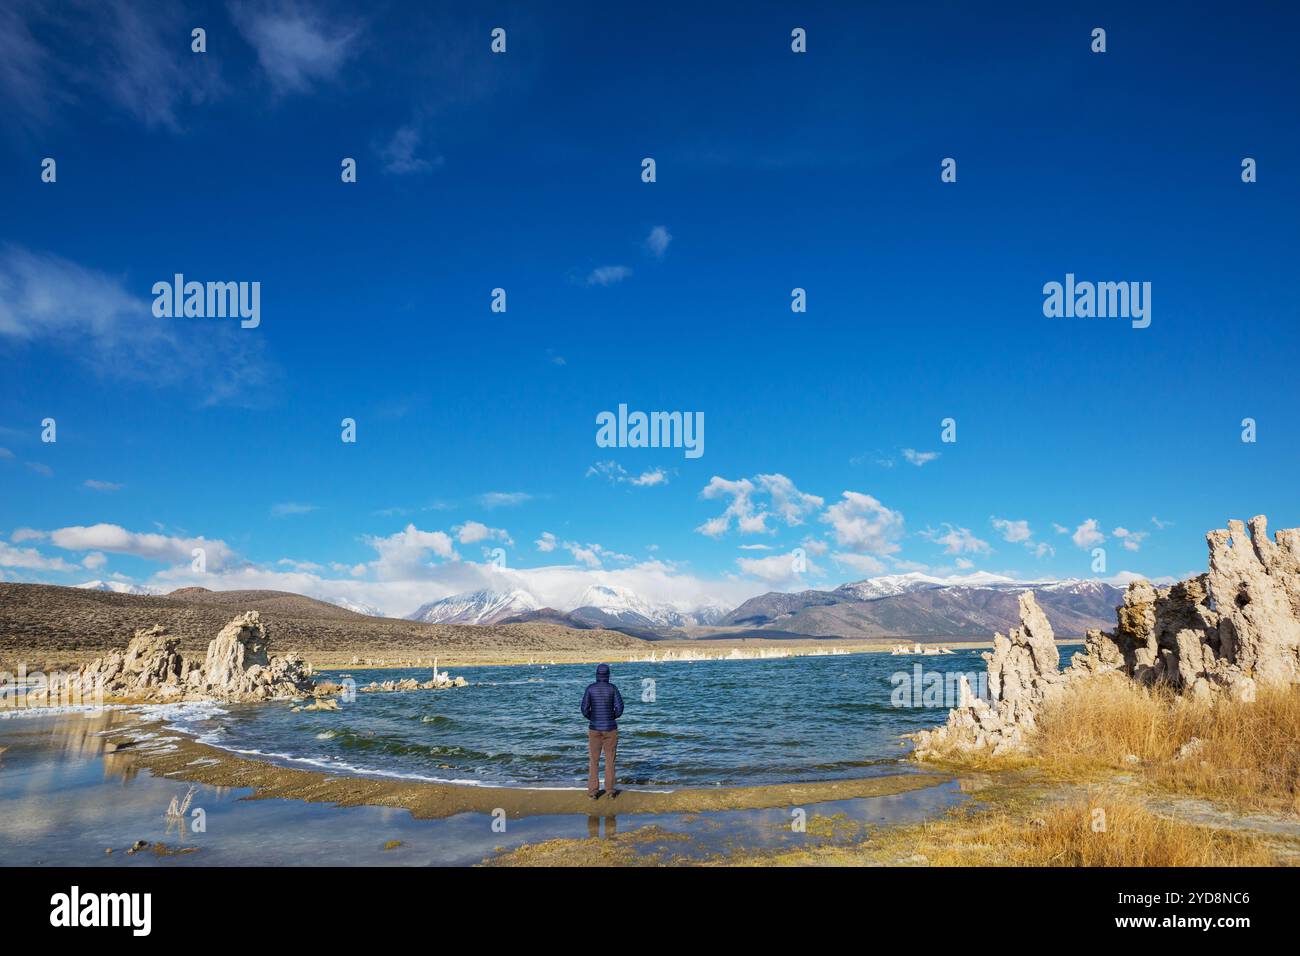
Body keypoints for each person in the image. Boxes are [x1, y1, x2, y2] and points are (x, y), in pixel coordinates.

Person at [581, 663, 624, 799]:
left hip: (594, 729)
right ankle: (610, 791)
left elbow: (584, 709)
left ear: (597, 674)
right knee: (610, 760)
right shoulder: (612, 688)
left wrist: (592, 718)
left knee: (594, 760)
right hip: (610, 728)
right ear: (608, 675)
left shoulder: (590, 689)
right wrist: (612, 717)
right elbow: (620, 708)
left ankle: (593, 792)